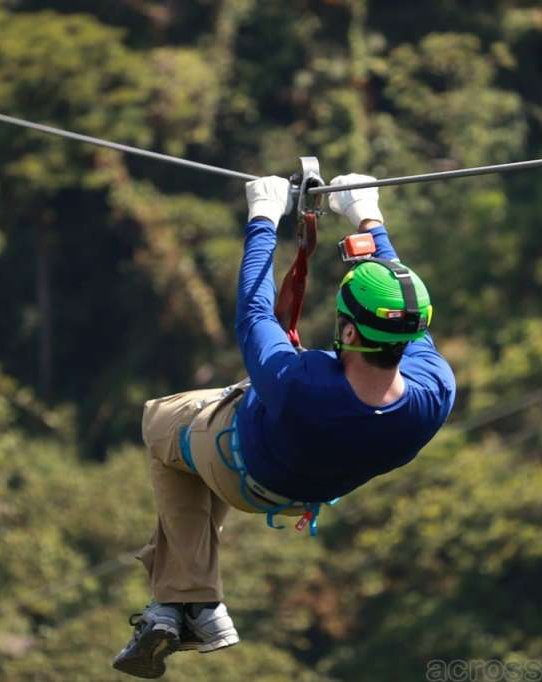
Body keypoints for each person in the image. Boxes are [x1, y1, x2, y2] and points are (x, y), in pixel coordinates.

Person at [112, 174, 456, 678]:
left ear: (346, 330)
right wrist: (368, 217)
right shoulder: (434, 392)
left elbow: (254, 313)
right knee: (197, 446)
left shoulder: (300, 384)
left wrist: (262, 220)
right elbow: (402, 311)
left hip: (242, 466)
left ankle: (191, 600)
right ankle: (181, 606)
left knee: (161, 421)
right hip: (304, 490)